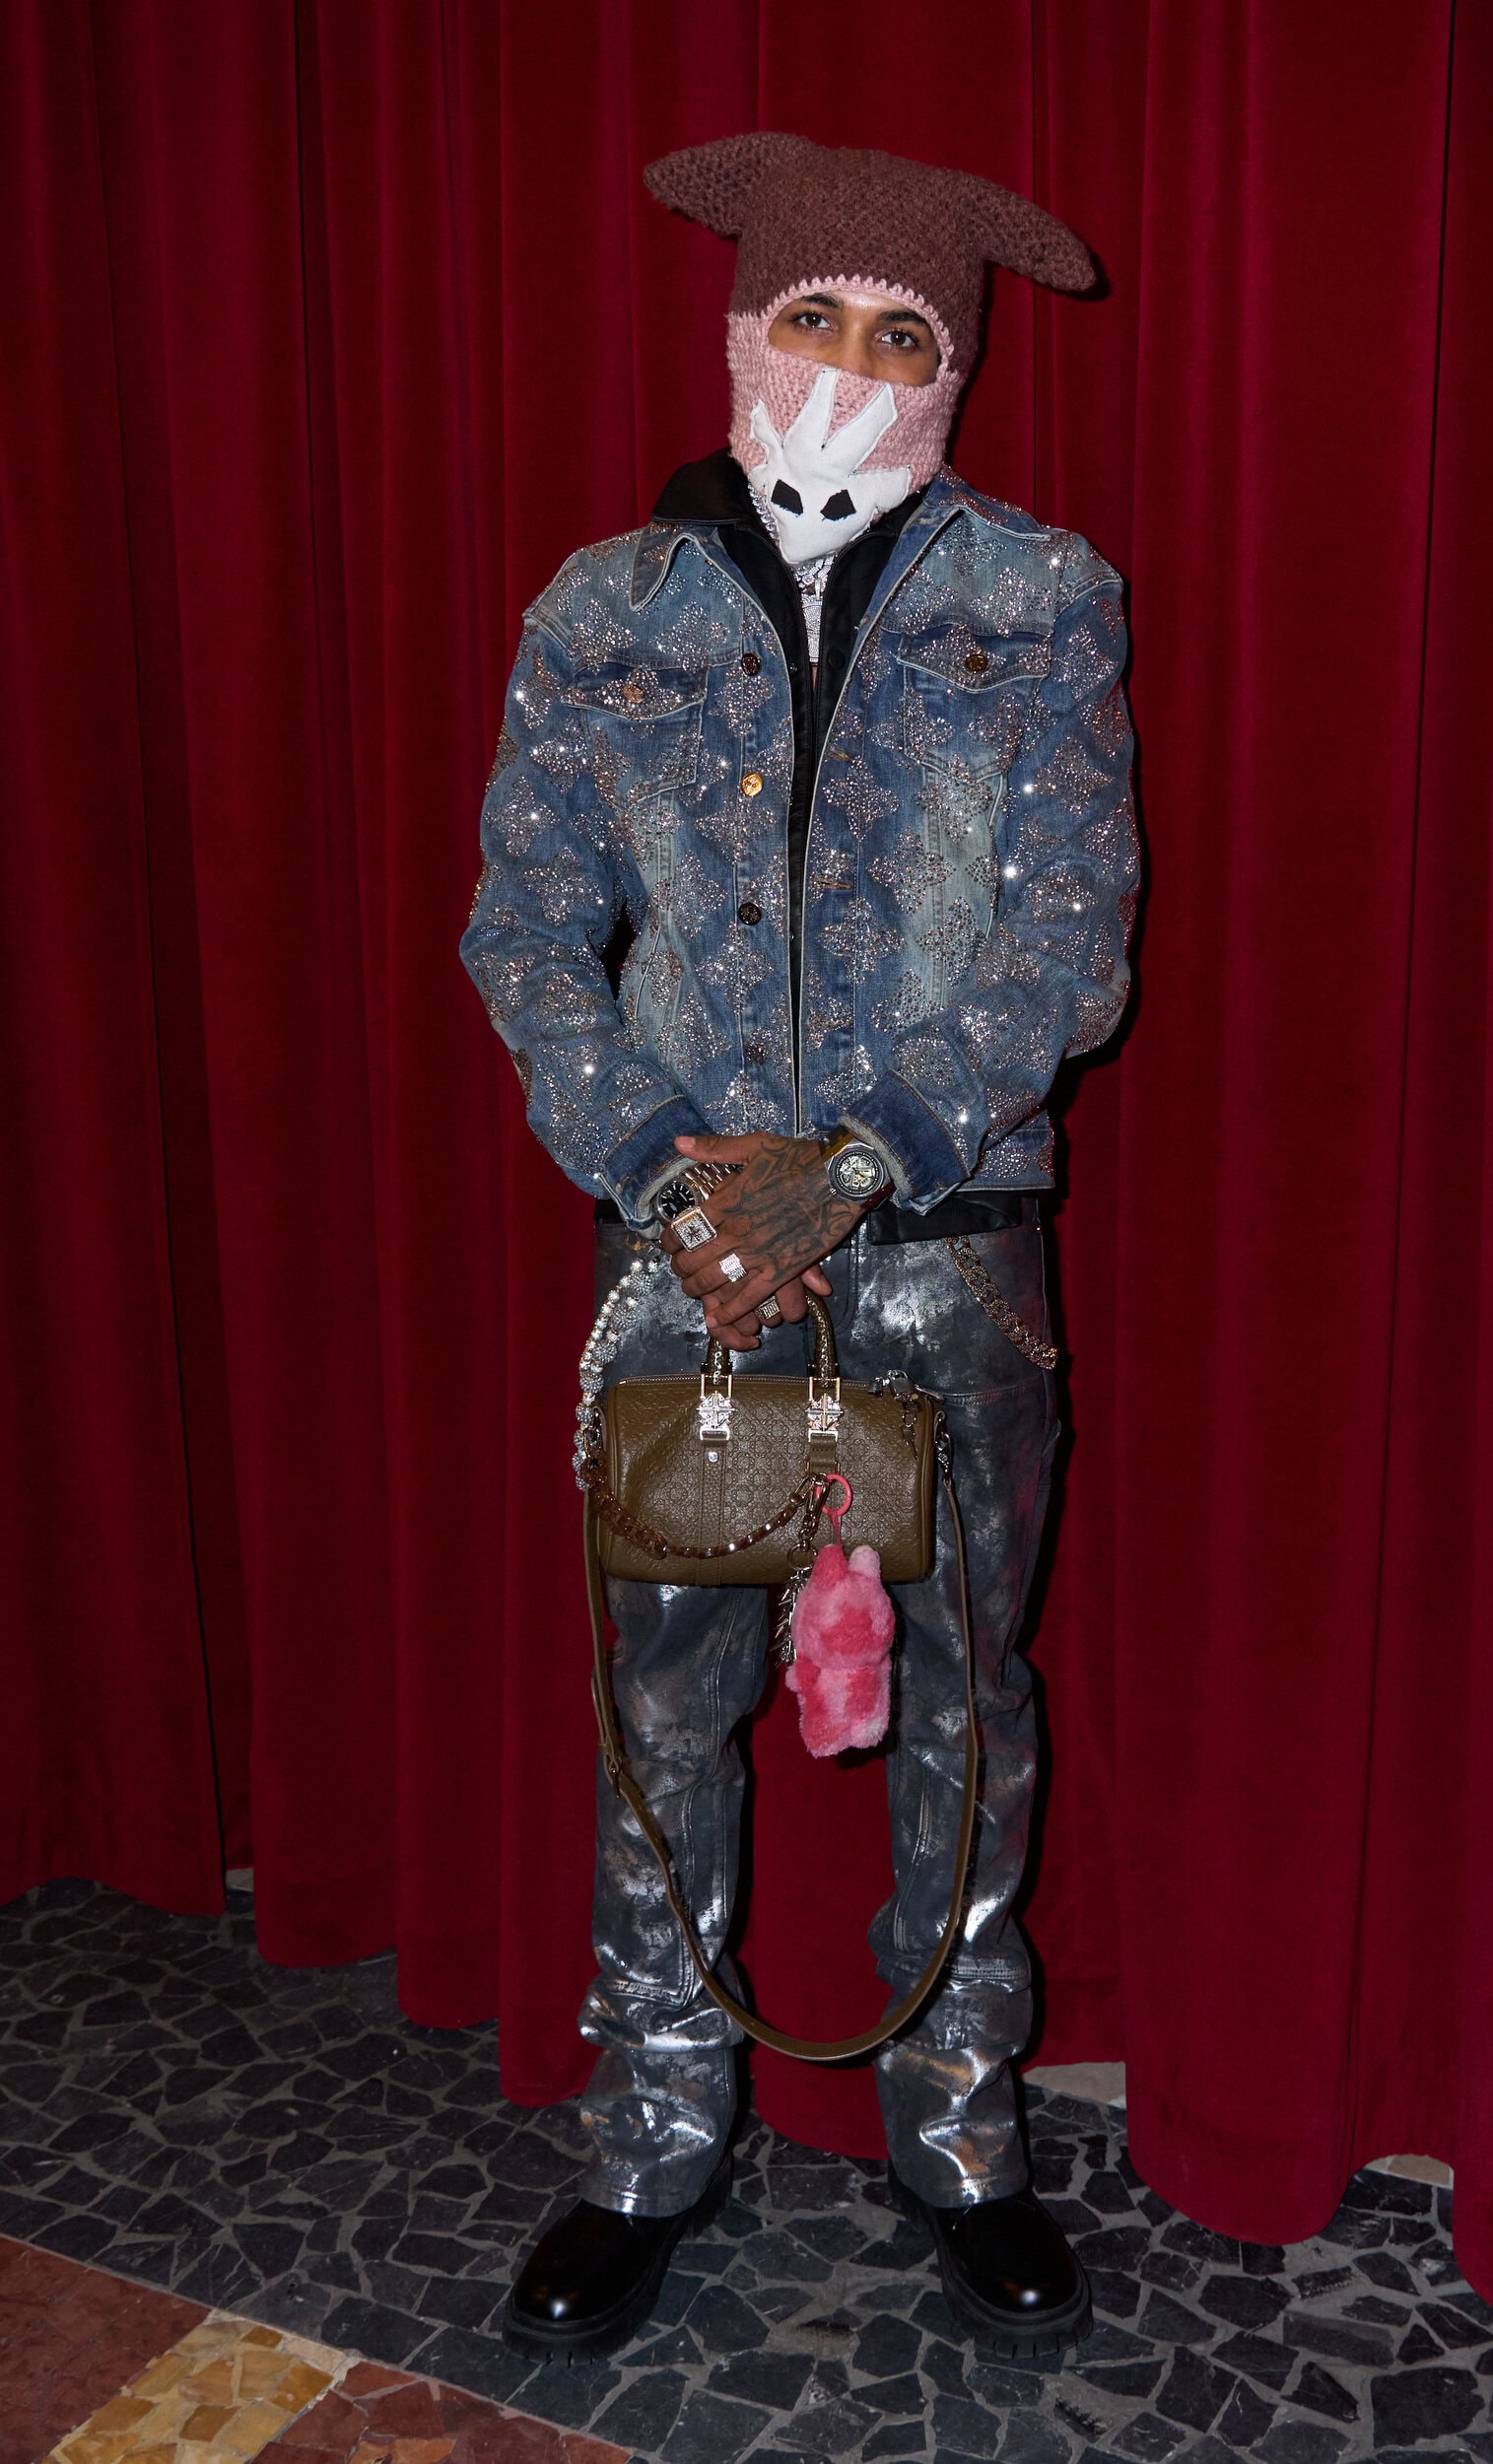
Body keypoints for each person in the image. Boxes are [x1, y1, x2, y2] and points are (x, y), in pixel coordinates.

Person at [461, 131, 1139, 2362]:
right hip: (690, 1260)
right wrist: (676, 1173)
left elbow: (1066, 938)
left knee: (964, 1696)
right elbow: (524, 927)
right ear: (746, 328)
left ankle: (960, 2130)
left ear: (952, 365)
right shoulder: (606, 608)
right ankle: (654, 2135)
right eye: (815, 315)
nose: (849, 359)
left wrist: (850, 1167)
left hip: (946, 1243)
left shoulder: (1038, 593)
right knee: (670, 1703)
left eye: (900, 329)